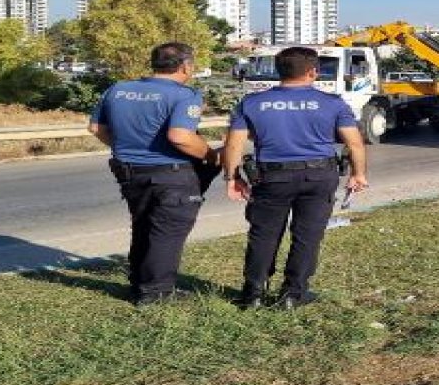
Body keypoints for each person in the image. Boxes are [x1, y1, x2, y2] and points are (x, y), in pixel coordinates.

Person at [223, 46, 368, 310]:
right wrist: (358, 174)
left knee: (263, 234)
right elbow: (355, 144)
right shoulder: (333, 103)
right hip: (319, 175)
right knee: (307, 235)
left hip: (272, 177)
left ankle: (254, 294)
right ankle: (293, 294)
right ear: (313, 71)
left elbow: (233, 145)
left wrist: (232, 177)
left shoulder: (252, 103)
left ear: (280, 71)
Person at [88, 42, 219, 307]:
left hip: (129, 170)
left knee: (143, 225)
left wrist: (125, 148)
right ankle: (156, 293)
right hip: (170, 173)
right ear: (186, 66)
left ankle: (140, 282)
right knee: (167, 231)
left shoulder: (118, 89)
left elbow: (95, 128)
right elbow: (180, 137)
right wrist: (212, 156)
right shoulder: (185, 95)